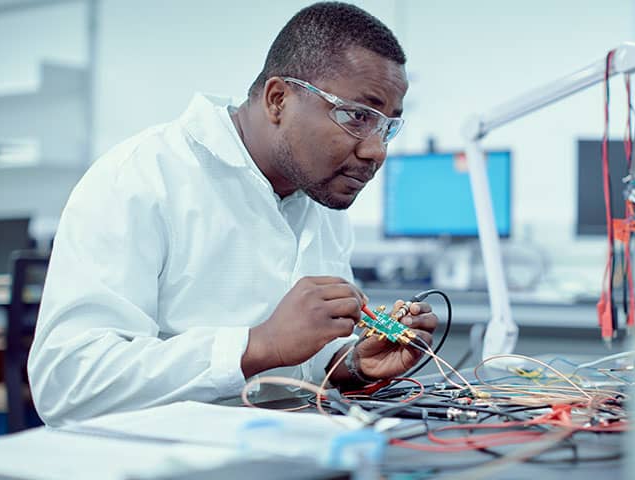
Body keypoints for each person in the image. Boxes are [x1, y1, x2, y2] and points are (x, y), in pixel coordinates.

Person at [28, 2, 438, 426]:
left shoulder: (321, 198)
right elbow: (67, 384)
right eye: (357, 116)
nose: (377, 151)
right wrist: (254, 346)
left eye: (387, 127)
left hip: (282, 450)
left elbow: (295, 367)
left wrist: (350, 365)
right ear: (278, 99)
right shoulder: (139, 178)